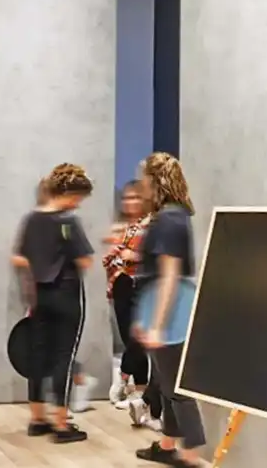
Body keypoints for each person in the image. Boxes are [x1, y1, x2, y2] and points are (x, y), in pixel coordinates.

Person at [12, 164, 94, 444]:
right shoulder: (67, 222)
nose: (78, 203)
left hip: (39, 296)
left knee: (38, 353)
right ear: (69, 193)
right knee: (63, 357)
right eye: (78, 197)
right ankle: (61, 424)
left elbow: (19, 257)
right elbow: (85, 260)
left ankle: (37, 419)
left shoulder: (31, 220)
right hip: (66, 295)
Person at [133, 152, 205, 467]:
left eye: (143, 180)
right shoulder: (173, 216)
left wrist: (158, 325)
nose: (140, 187)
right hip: (165, 310)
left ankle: (191, 458)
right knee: (167, 383)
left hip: (172, 314)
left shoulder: (169, 220)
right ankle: (167, 446)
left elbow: (170, 275)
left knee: (178, 389)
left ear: (155, 182)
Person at [103, 180, 163, 430]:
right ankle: (138, 394)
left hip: (143, 285)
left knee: (138, 337)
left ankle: (124, 376)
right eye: (126, 198)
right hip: (121, 284)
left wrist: (133, 256)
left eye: (135, 198)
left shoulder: (151, 225)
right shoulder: (122, 228)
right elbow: (110, 257)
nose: (130, 203)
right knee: (129, 336)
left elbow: (155, 258)